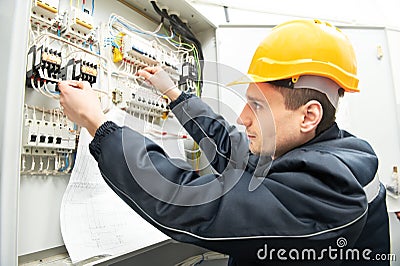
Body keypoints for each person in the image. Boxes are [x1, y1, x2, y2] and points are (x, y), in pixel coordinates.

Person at [58, 19, 390, 265]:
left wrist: (99, 125)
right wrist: (173, 93)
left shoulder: (330, 189)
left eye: (258, 106)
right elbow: (233, 148)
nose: (243, 118)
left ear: (308, 116)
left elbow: (195, 204)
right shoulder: (313, 150)